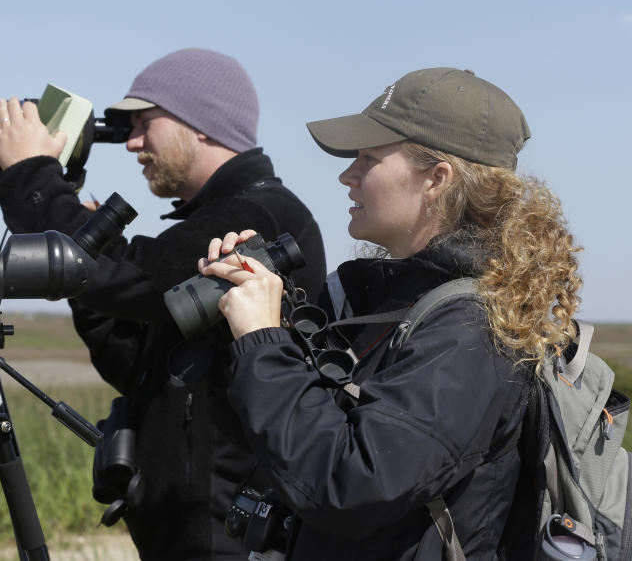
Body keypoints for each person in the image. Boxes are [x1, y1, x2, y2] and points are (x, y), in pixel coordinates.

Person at [200, 67, 582, 559]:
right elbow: (290, 442)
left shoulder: (475, 331)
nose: (346, 175)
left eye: (368, 158)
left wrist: (262, 342)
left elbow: (351, 482)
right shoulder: (396, 303)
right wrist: (242, 323)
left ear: (437, 179)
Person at [0, 47, 328, 560]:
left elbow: (128, 277)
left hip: (230, 537)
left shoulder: (254, 217)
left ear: (204, 124)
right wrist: (89, 274)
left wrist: (32, 174)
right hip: (200, 530)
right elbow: (137, 362)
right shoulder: (217, 218)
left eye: (146, 123)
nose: (132, 143)